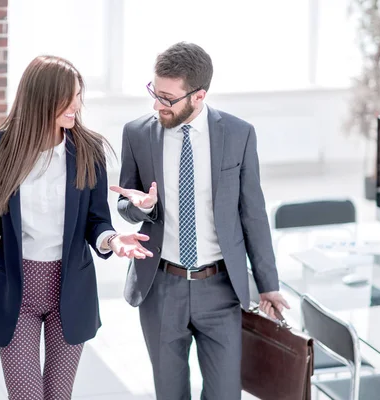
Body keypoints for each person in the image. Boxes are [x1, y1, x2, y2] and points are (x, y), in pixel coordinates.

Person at [0, 55, 152, 400]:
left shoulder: (88, 149)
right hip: (17, 289)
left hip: (71, 287)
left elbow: (96, 221)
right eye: (69, 96)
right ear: (42, 98)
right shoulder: (1, 147)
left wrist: (113, 240)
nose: (77, 105)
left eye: (79, 95)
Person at [110, 42, 290, 400]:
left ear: (198, 96)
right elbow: (125, 204)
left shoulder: (238, 134)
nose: (157, 104)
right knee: (170, 394)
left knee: (225, 394)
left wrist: (268, 283)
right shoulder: (137, 133)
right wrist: (142, 208)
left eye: (167, 98)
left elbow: (252, 213)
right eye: (154, 92)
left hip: (221, 288)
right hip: (161, 288)